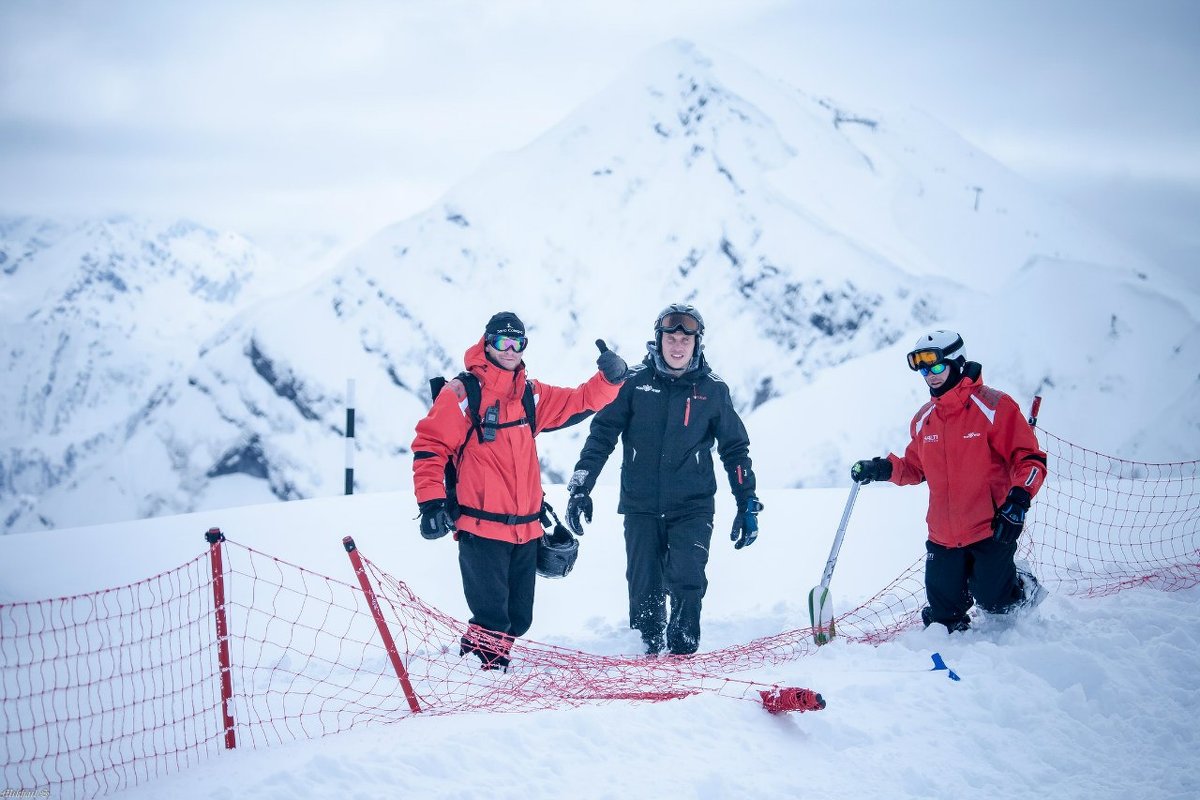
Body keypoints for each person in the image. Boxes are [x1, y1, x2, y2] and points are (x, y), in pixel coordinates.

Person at [411, 311, 627, 670]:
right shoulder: (464, 394)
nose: (510, 349)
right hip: (480, 527)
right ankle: (482, 676)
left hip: (526, 528)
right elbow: (430, 446)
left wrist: (610, 379)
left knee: (518, 618)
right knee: (492, 617)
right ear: (488, 343)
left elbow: (579, 401)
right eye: (502, 342)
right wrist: (431, 503)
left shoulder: (530, 395)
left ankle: (475, 665)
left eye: (517, 342)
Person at [565, 303, 762, 656]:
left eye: (685, 340)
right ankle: (647, 654)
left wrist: (746, 501)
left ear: (697, 344)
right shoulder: (633, 384)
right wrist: (581, 485)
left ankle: (684, 654)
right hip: (641, 505)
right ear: (658, 339)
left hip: (693, 505)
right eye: (671, 337)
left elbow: (735, 449)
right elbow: (602, 436)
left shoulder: (713, 390)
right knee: (645, 589)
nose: (677, 346)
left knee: (688, 579)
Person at [850, 330, 1048, 633]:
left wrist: (1019, 500)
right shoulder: (924, 418)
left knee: (995, 603)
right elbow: (914, 468)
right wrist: (880, 470)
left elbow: (1030, 460)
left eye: (937, 366)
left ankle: (1021, 585)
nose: (930, 375)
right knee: (944, 618)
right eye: (924, 369)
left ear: (957, 362)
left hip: (989, 528)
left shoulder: (995, 407)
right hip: (942, 534)